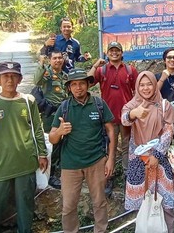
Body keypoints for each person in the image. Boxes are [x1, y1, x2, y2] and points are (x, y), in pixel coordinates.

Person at [0, 62, 48, 233]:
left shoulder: (28, 101)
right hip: (0, 166)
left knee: (26, 209)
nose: (10, 80)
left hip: (26, 163)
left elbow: (37, 128)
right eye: (5, 76)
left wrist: (42, 153)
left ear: (20, 79)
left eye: (14, 76)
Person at [49, 68, 116, 233]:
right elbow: (52, 138)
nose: (78, 87)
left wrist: (111, 158)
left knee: (99, 201)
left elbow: (111, 130)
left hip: (96, 160)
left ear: (88, 85)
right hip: (70, 164)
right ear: (69, 88)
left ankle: (100, 230)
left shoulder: (99, 104)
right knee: (69, 205)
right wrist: (59, 131)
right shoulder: (64, 107)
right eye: (74, 84)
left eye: (81, 83)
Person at [121, 71, 174, 233]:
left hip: (160, 162)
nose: (146, 88)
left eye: (149, 84)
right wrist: (134, 113)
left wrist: (157, 156)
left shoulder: (164, 104)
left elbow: (168, 132)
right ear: (137, 87)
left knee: (165, 205)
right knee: (142, 205)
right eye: (142, 84)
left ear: (155, 85)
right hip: (139, 162)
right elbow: (124, 119)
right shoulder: (132, 104)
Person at [89, 41, 138, 195]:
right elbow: (87, 83)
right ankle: (108, 178)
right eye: (111, 50)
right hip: (107, 118)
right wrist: (94, 66)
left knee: (126, 148)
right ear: (107, 53)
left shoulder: (130, 70)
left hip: (125, 117)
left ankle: (127, 177)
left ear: (122, 53)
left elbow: (140, 90)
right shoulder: (102, 70)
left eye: (117, 50)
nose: (114, 53)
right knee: (108, 148)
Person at [33, 50, 68, 188]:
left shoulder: (64, 76)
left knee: (62, 144)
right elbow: (36, 81)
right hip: (50, 115)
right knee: (53, 144)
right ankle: (51, 175)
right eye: (55, 58)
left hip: (63, 114)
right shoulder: (46, 74)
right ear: (50, 60)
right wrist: (41, 63)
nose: (58, 60)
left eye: (60, 58)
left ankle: (60, 169)